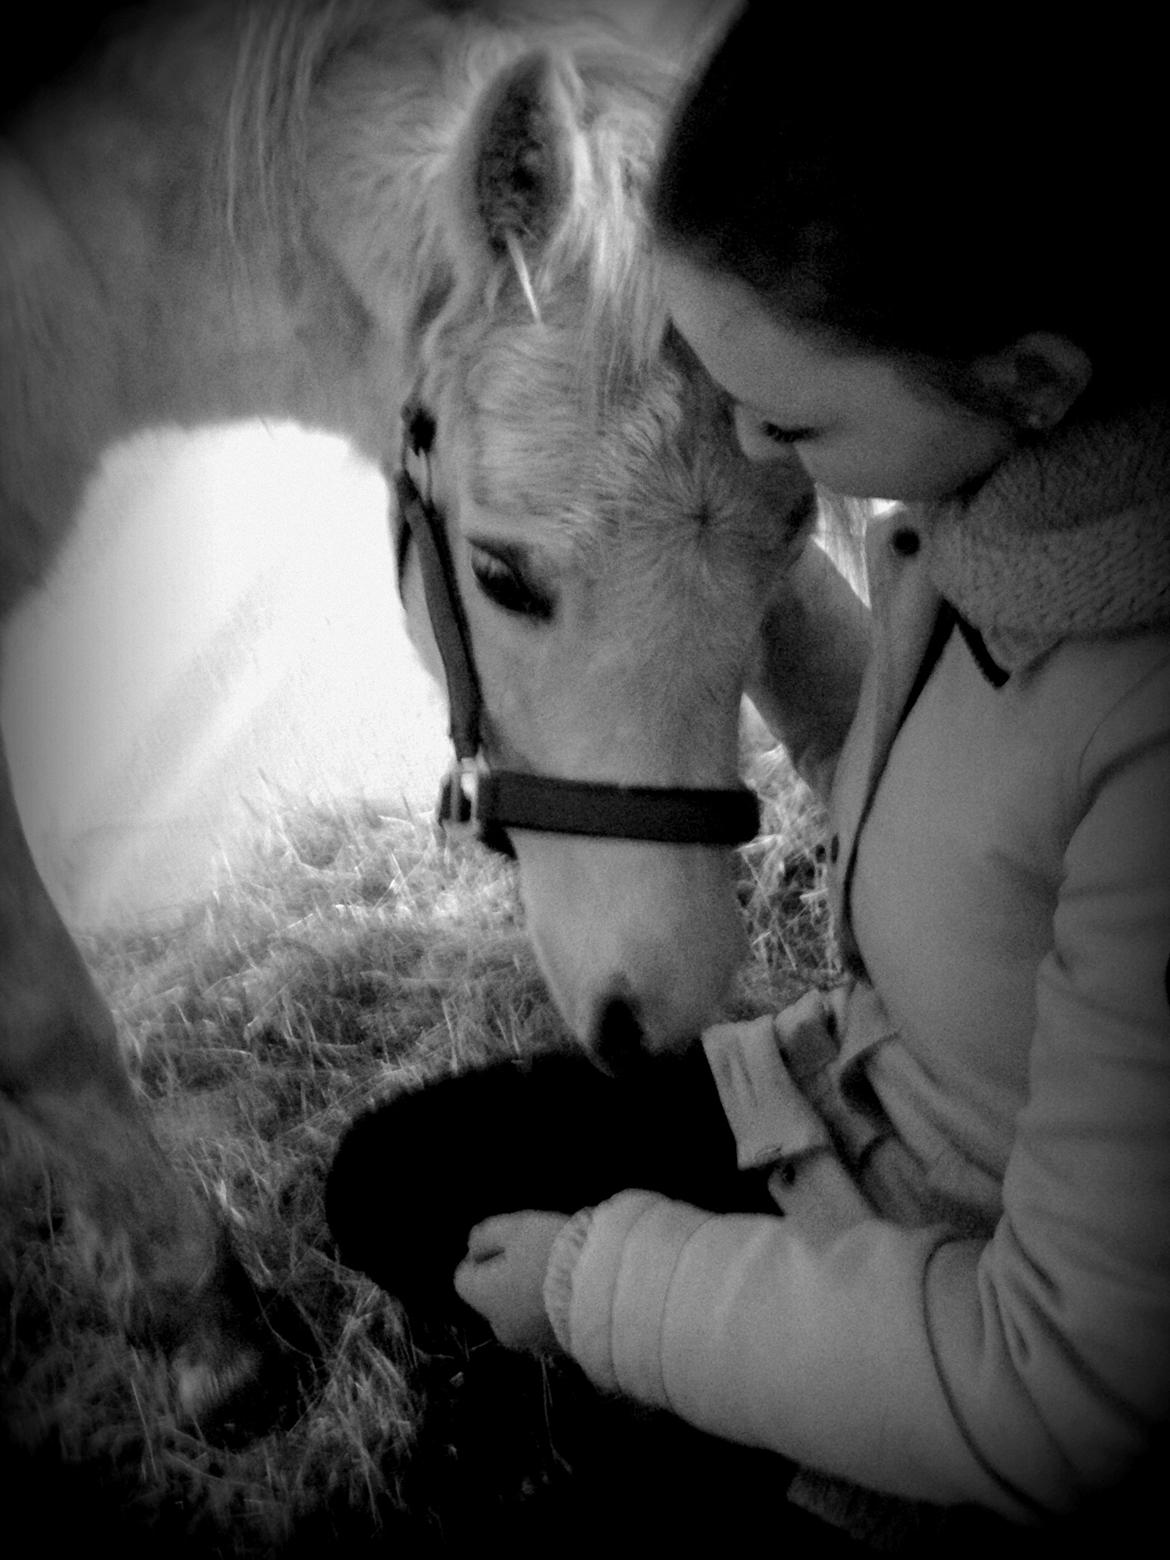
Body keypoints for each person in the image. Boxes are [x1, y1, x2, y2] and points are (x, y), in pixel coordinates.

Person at [327, 4, 1169, 1546]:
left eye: (785, 424)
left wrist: (599, 1290)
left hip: (952, 1315)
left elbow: (1059, 1388)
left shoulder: (1142, 732)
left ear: (1032, 375)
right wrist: (734, 595)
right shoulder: (996, 495)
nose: (751, 440)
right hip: (840, 1103)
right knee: (388, 1180)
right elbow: (948, 827)